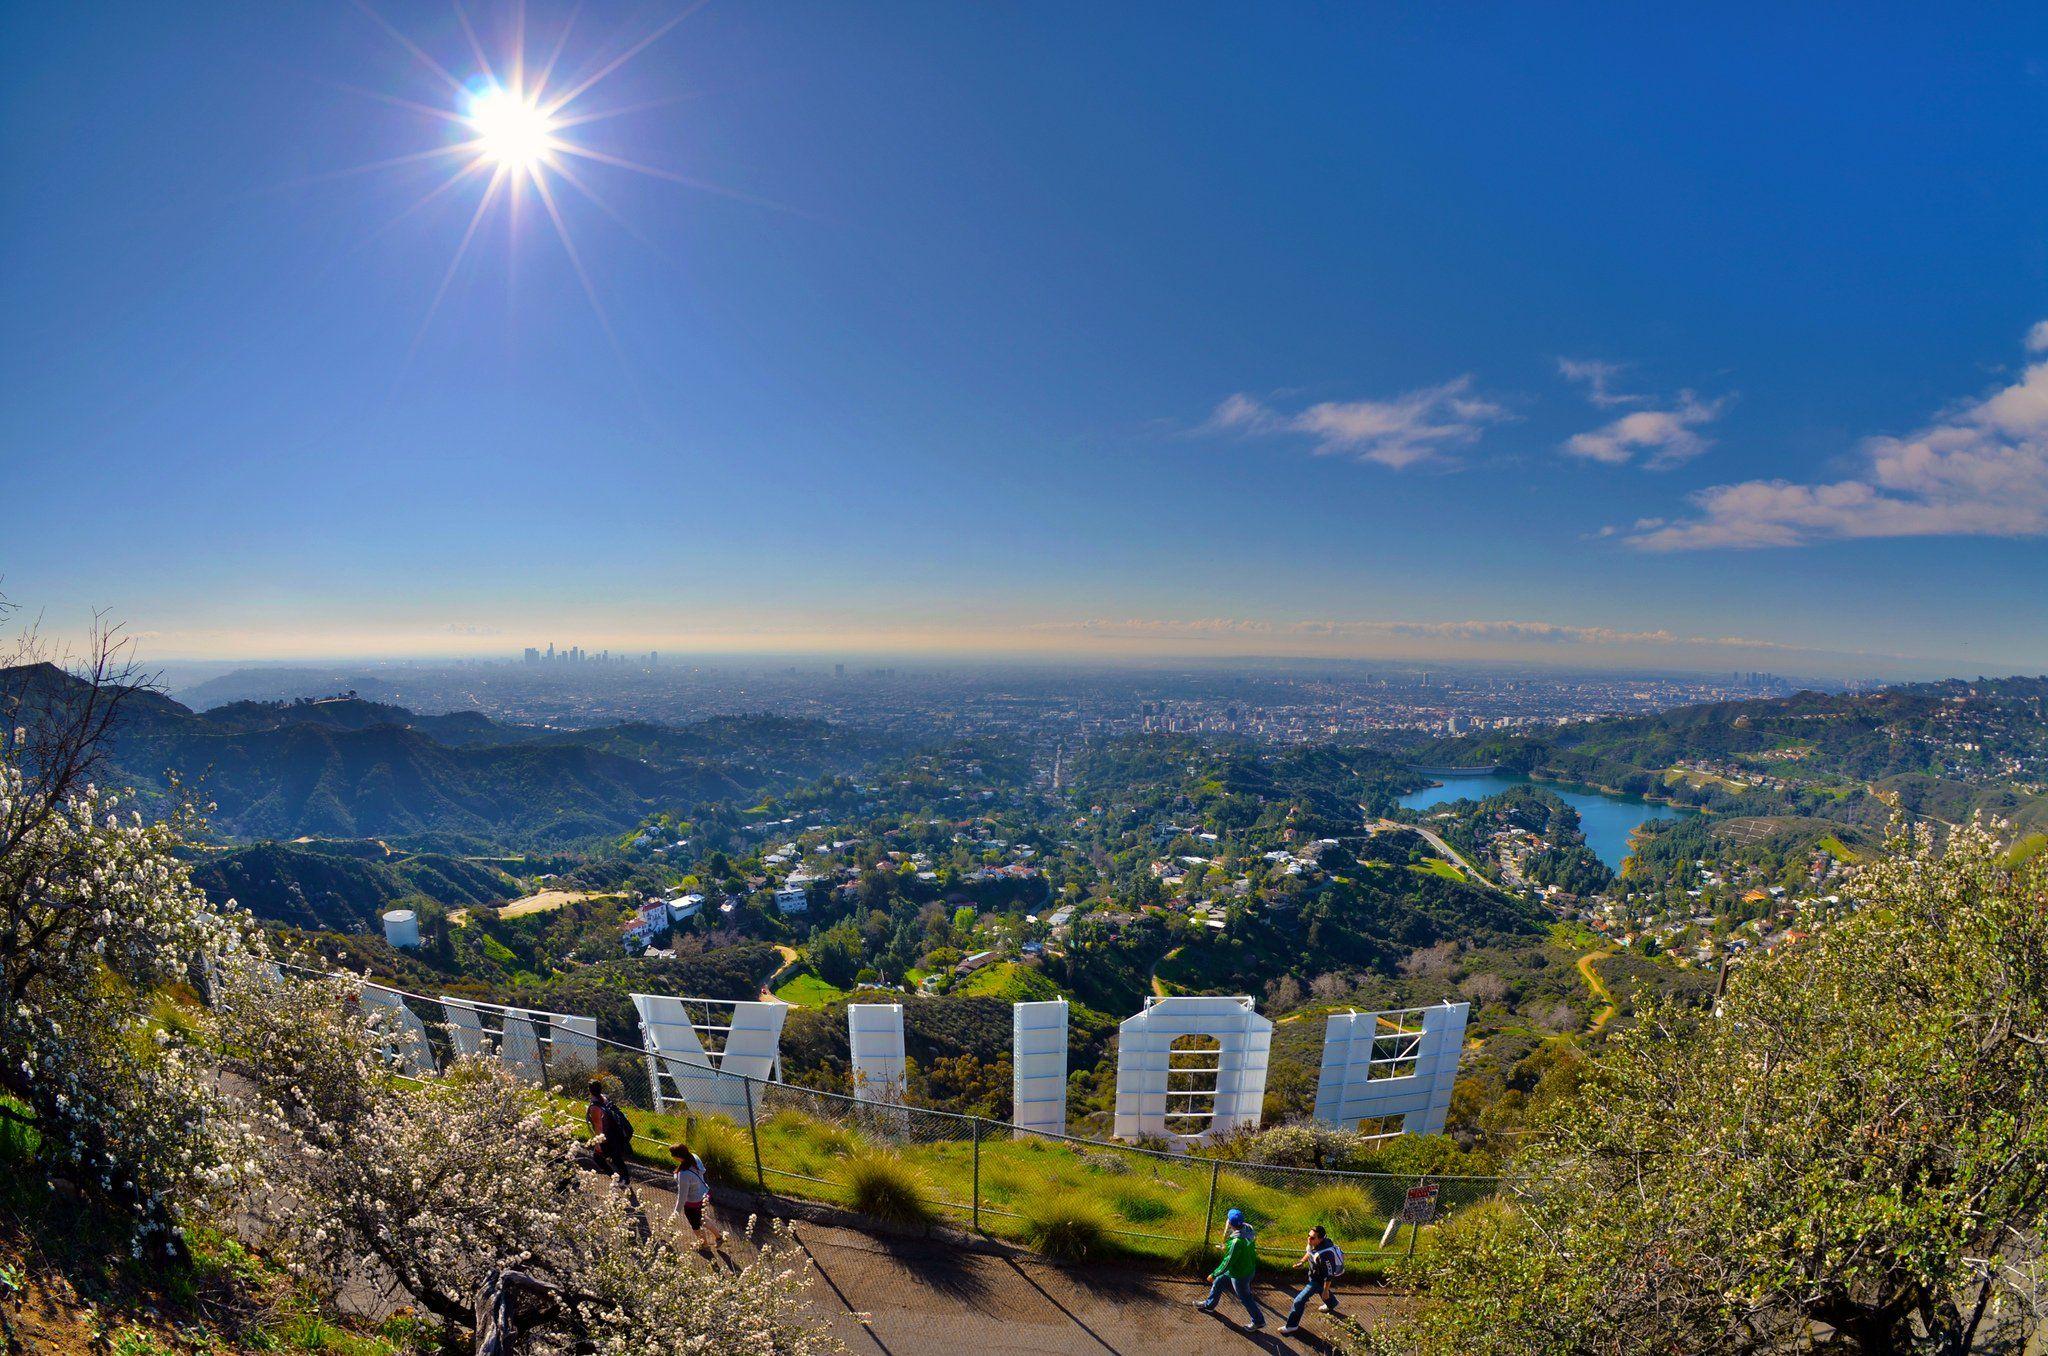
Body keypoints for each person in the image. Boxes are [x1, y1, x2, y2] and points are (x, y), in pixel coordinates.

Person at [1194, 1208, 1264, 1330]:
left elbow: (1227, 1262)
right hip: (1247, 1267)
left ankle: (1259, 1321)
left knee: (1245, 1297)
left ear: (1230, 1223)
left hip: (1239, 1274)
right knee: (1219, 1282)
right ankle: (1209, 1305)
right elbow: (1241, 1247)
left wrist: (1214, 1274)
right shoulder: (1248, 1229)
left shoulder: (1236, 1242)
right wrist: (1228, 1246)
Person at [1279, 1224, 1344, 1336]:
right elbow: (1309, 1253)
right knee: (1321, 1291)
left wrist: (1326, 1290)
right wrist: (1302, 1261)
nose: (1309, 1239)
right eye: (1308, 1236)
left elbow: (1329, 1275)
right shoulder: (1314, 1244)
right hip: (1315, 1275)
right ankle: (1332, 1303)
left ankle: (1292, 1326)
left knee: (1299, 1301)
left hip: (1319, 1280)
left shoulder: (1326, 1255)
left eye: (1312, 1237)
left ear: (1321, 1239)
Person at [670, 1141, 727, 1253]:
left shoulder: (684, 1174)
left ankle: (704, 1245)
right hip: (704, 1195)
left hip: (693, 1202)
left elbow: (682, 1196)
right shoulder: (694, 1157)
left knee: (695, 1225)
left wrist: (676, 1212)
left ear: (677, 1157)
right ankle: (719, 1237)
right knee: (702, 1217)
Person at [584, 1078, 632, 1184]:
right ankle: (626, 1180)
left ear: (590, 1090)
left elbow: (598, 1127)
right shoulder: (605, 1099)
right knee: (617, 1158)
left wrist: (598, 1144)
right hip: (615, 1134)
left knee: (597, 1158)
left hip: (606, 1138)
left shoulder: (595, 1107)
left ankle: (614, 1178)